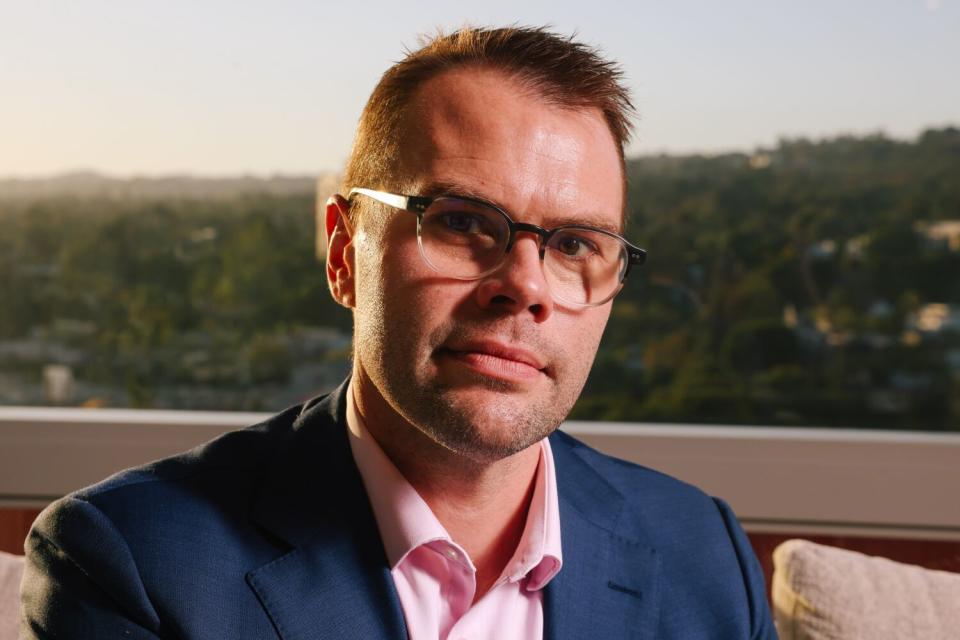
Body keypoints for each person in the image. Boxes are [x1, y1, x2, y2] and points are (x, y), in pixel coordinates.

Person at [20, 26, 776, 639]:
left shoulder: (703, 554)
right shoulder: (133, 563)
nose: (524, 285)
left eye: (575, 244)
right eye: (460, 223)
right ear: (347, 255)